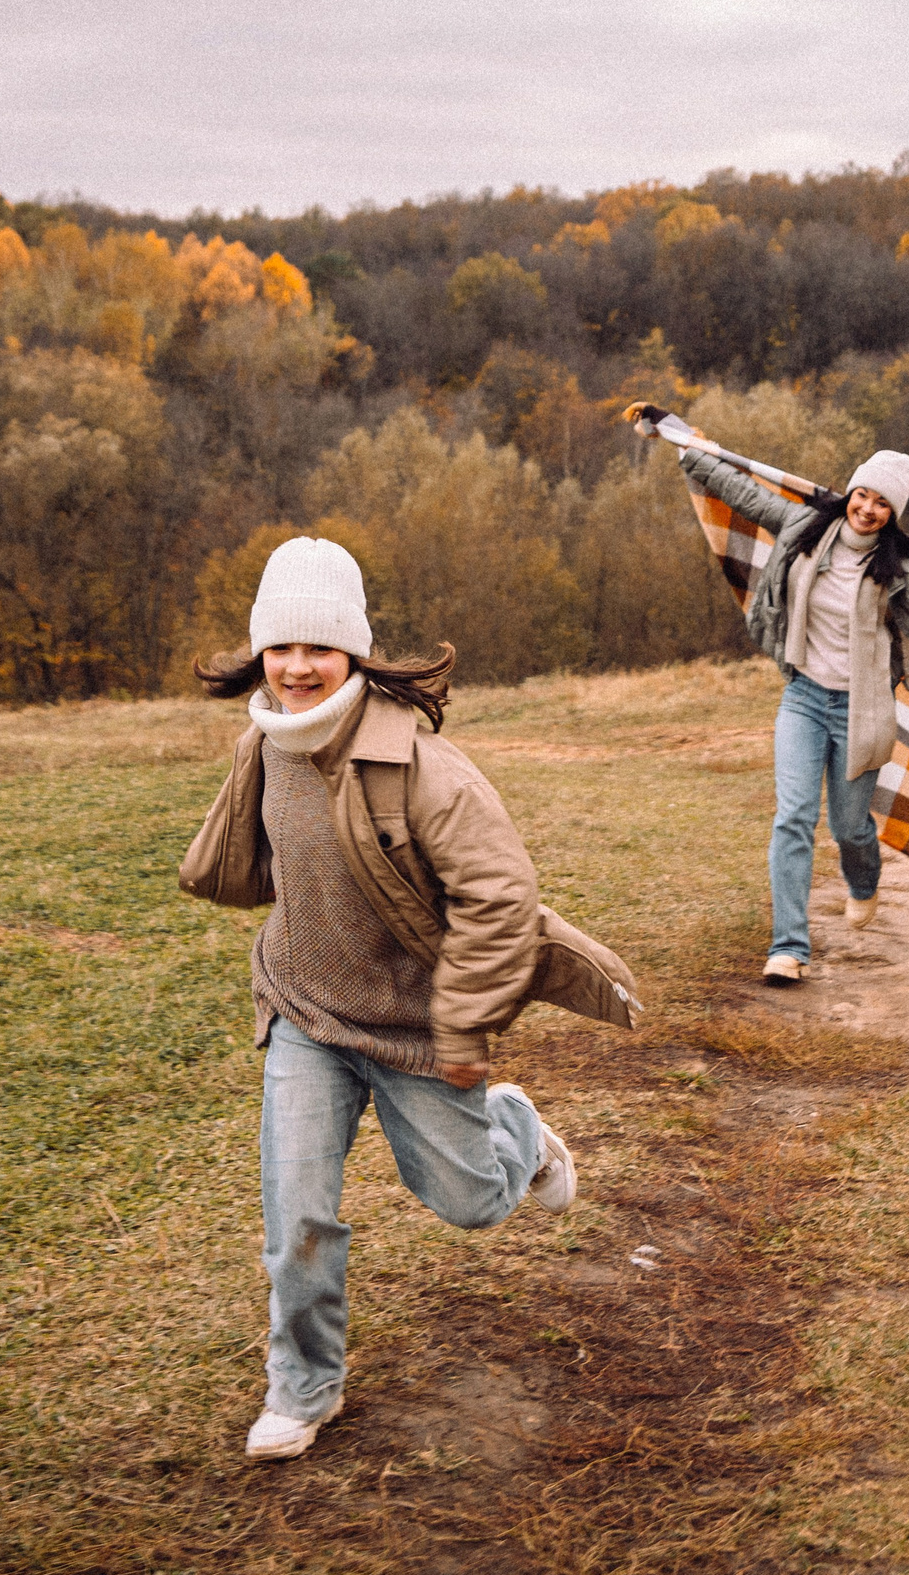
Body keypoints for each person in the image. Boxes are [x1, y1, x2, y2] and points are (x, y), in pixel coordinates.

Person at [181, 537, 640, 1460]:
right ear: (260, 651)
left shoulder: (420, 767)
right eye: (281, 646)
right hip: (306, 1012)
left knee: (470, 1202)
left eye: (319, 647)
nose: (298, 667)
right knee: (297, 1213)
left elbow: (502, 897)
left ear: (353, 651)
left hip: (415, 1026)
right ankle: (304, 1388)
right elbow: (257, 860)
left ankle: (513, 1130)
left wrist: (466, 1024)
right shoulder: (264, 742)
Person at [670, 443, 909, 984]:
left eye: (882, 503)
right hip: (804, 698)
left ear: (893, 513)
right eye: (862, 494)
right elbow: (742, 492)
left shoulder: (899, 567)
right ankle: (788, 948)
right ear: (850, 492)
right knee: (792, 817)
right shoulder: (807, 526)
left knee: (849, 827)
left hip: (863, 712)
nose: (867, 508)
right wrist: (682, 445)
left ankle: (864, 884)